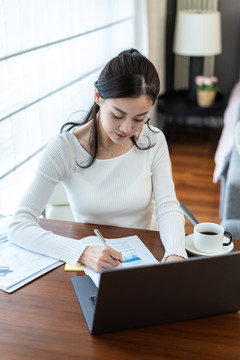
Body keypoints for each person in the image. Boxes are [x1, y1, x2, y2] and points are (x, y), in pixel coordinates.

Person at [8, 49, 187, 271]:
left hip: (146, 256)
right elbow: (18, 226)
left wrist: (176, 254)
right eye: (117, 115)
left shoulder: (154, 140)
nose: (126, 128)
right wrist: (81, 252)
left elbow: (167, 206)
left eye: (139, 119)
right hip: (94, 261)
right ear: (98, 97)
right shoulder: (63, 149)